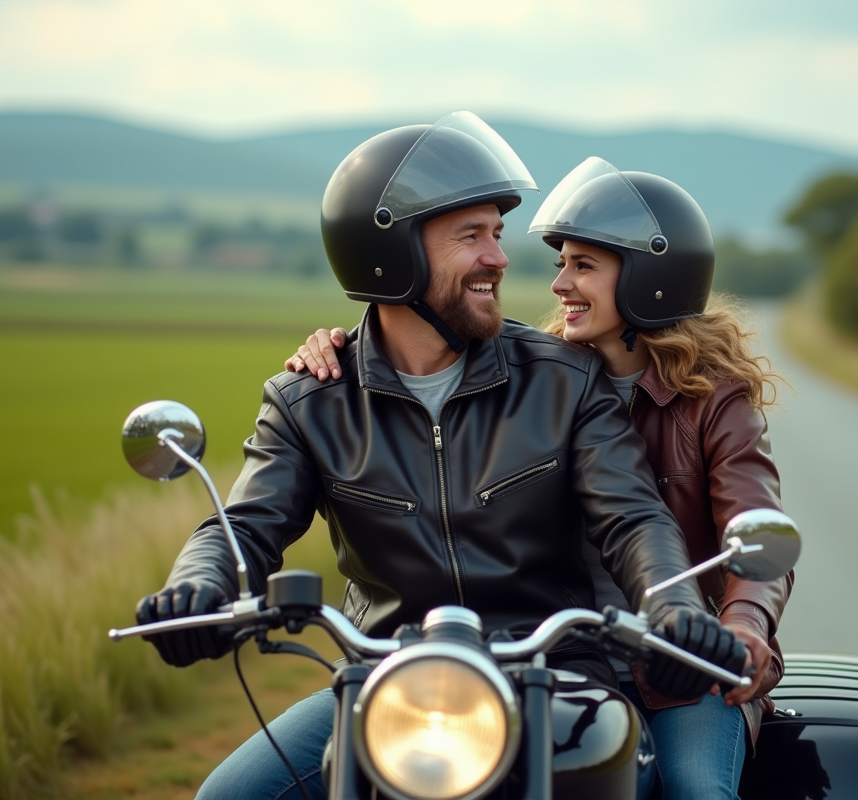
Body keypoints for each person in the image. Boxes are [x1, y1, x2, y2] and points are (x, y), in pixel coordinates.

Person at [139, 114, 745, 800]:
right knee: (227, 796)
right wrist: (200, 587)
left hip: (557, 675)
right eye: (472, 237)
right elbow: (245, 525)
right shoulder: (311, 400)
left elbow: (633, 517)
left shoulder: (565, 380)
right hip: (388, 681)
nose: (500, 258)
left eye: (496, 234)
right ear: (392, 254)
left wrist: (673, 606)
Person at [287, 157, 793, 800]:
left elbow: (726, 530)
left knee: (694, 788)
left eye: (583, 265)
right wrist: (349, 347)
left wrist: (741, 626)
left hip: (678, 665)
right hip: (542, 661)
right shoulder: (542, 375)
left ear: (650, 277)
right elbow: (410, 355)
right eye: (561, 263)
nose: (560, 284)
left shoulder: (715, 406)